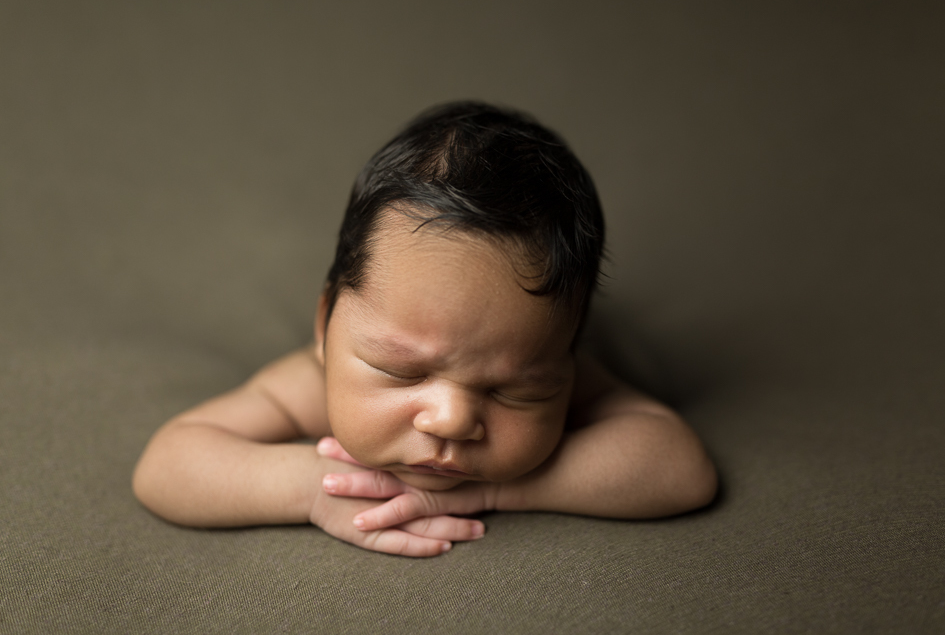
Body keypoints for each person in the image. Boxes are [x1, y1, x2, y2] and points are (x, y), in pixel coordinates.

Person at [132, 101, 717, 557]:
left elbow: (680, 470)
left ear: (564, 360)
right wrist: (312, 487)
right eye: (400, 370)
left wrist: (493, 490)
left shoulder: (548, 363)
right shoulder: (308, 384)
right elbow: (167, 465)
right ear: (326, 325)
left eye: (510, 391)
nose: (453, 421)